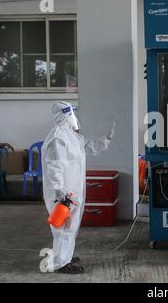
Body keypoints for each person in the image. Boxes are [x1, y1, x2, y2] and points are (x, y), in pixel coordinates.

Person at [42, 101, 115, 274]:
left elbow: (91, 147)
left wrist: (109, 136)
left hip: (73, 189)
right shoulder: (58, 137)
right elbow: (54, 165)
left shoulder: (72, 136)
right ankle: (61, 263)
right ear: (65, 115)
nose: (75, 117)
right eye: (72, 113)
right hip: (63, 192)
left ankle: (65, 255)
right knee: (63, 227)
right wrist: (61, 191)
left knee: (71, 225)